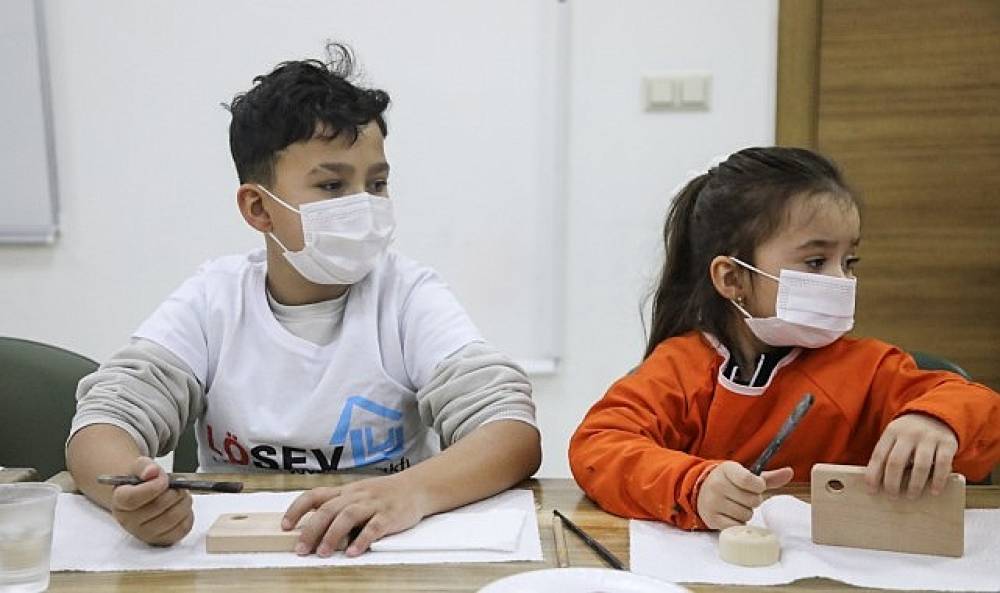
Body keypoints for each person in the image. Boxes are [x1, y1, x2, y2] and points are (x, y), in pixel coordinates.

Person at [66, 44, 541, 556]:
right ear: (258, 208)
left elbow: (511, 432)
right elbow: (103, 422)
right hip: (239, 554)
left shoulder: (406, 296)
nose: (363, 205)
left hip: (380, 553)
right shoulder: (214, 300)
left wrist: (411, 491)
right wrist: (132, 497)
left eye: (377, 183)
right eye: (332, 185)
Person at [568, 146, 999, 530]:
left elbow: (981, 411)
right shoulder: (680, 368)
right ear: (732, 278)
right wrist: (693, 486)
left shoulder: (868, 368)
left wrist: (937, 420)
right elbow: (599, 445)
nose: (841, 280)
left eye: (849, 261)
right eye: (816, 262)